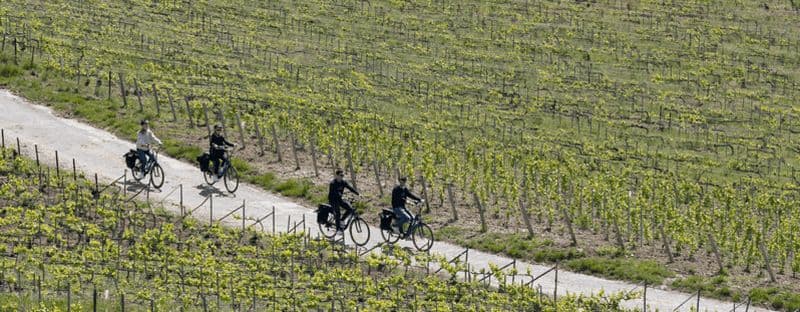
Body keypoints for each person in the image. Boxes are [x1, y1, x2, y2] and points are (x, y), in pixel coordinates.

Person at [328, 169, 359, 233]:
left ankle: (341, 220)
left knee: (350, 209)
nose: (342, 177)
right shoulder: (333, 183)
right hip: (333, 200)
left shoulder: (343, 182)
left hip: (339, 199)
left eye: (343, 175)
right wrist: (340, 194)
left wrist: (357, 194)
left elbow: (350, 188)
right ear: (336, 175)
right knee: (338, 213)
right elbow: (333, 192)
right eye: (341, 175)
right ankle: (338, 229)